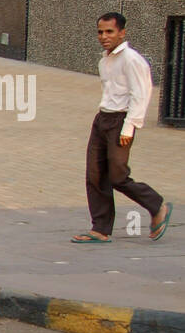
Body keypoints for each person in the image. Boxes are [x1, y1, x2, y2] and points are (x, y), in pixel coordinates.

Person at [70, 12, 171, 243]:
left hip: (121, 122)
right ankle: (100, 229)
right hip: (103, 119)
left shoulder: (131, 59)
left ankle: (157, 206)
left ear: (122, 33)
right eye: (100, 32)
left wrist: (129, 127)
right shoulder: (104, 60)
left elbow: (141, 94)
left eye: (109, 32)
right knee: (95, 175)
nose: (104, 36)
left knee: (118, 176)